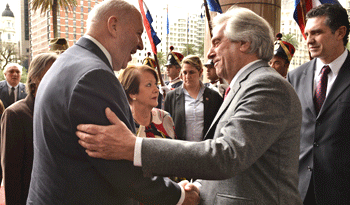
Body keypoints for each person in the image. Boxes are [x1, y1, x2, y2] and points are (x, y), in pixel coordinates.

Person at [77, 6, 303, 204]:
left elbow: (226, 156)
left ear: (245, 43)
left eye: (217, 42)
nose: (209, 53)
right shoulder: (247, 85)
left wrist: (134, 147)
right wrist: (200, 187)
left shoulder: (266, 86)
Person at [27, 0, 198, 204]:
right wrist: (179, 195)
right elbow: (120, 166)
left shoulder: (68, 62)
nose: (141, 44)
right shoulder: (94, 76)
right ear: (113, 25)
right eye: (137, 33)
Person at [287, 3, 350, 204]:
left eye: (317, 33)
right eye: (307, 33)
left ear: (340, 33)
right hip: (298, 188)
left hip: (341, 190)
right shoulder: (295, 77)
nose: (309, 40)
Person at [0, 53, 57, 205]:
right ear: (34, 78)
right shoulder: (15, 114)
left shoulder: (59, 111)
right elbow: (11, 174)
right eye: (52, 72)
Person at [164, 55, 222, 141]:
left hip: (206, 150)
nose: (187, 76)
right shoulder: (171, 97)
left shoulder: (214, 97)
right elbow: (166, 127)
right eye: (184, 72)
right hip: (180, 150)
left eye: (191, 72)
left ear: (200, 72)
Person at [119, 65, 176, 140]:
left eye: (155, 84)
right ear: (132, 93)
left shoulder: (164, 117)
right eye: (149, 85)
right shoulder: (121, 124)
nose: (156, 90)